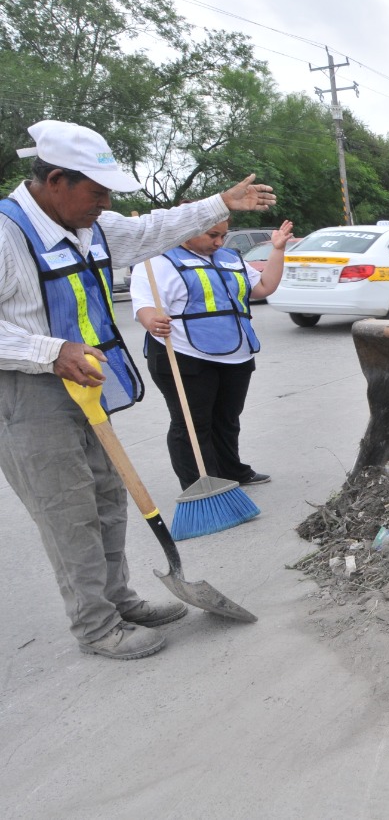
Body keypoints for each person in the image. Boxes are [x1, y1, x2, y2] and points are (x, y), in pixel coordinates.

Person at [0, 120, 276, 661]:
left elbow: (153, 230)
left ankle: (120, 600)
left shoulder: (89, 226)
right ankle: (96, 626)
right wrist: (49, 350)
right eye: (97, 191)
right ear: (56, 179)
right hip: (26, 395)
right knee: (67, 512)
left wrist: (219, 201)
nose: (104, 204)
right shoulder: (6, 235)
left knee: (105, 500)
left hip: (84, 387)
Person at [131, 218, 293, 489]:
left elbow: (263, 287)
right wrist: (152, 321)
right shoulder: (158, 261)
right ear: (186, 229)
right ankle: (200, 485)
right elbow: (144, 304)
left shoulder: (229, 258)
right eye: (212, 235)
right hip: (184, 355)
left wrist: (277, 250)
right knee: (193, 424)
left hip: (236, 354)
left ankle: (232, 471)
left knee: (227, 419)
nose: (219, 242)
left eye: (223, 235)